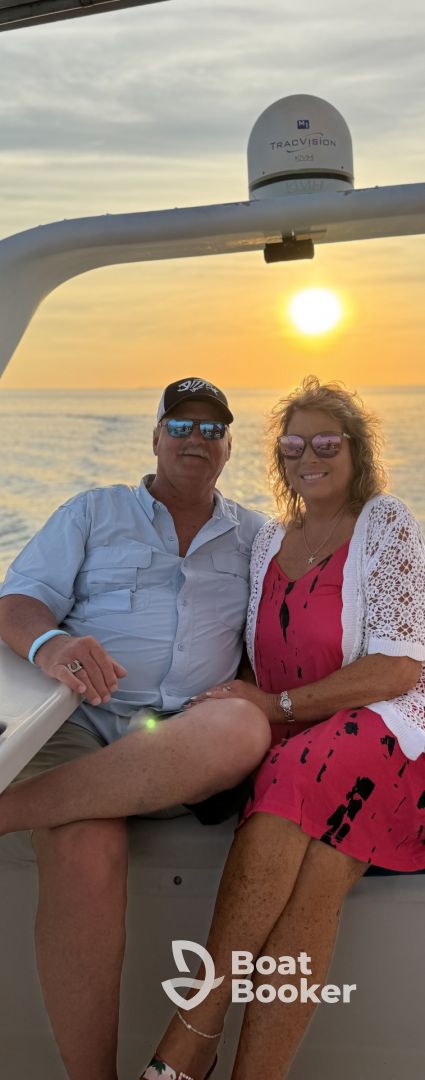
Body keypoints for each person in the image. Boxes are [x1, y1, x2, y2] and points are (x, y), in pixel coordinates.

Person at [144, 375, 425, 1080]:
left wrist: (279, 707)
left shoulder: (385, 522)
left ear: (355, 451)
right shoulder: (268, 539)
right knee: (318, 875)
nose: (309, 456)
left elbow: (400, 667)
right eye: (293, 445)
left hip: (389, 737)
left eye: (326, 442)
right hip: (305, 750)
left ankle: (192, 1033)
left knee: (295, 772)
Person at [0, 375, 271, 1080]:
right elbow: (17, 600)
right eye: (180, 425)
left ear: (228, 447)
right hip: (80, 722)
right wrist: (52, 644)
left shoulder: (256, 537)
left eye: (211, 429)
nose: (195, 439)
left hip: (182, 740)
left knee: (242, 730)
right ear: (154, 438)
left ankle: (7, 811)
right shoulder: (94, 511)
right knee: (86, 846)